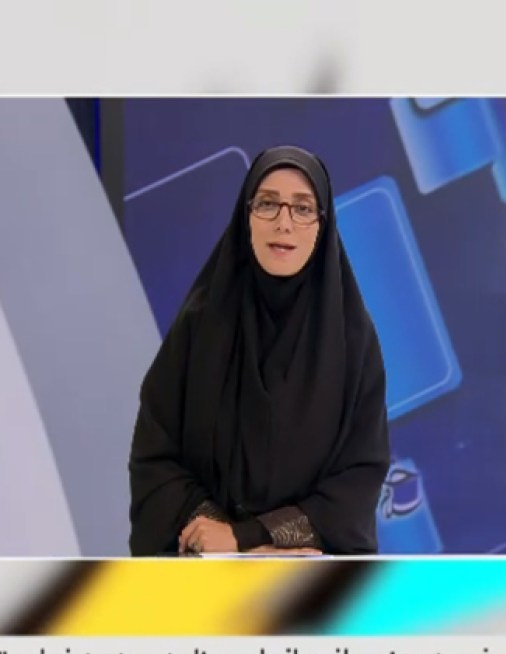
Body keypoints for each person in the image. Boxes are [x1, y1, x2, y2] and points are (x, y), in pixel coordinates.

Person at [128, 146, 391, 556]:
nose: (284, 223)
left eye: (303, 209)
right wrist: (217, 538)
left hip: (311, 580)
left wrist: (249, 538)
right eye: (268, 204)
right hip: (204, 575)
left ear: (323, 225)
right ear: (245, 216)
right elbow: (155, 457)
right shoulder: (199, 325)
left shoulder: (352, 341)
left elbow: (358, 480)